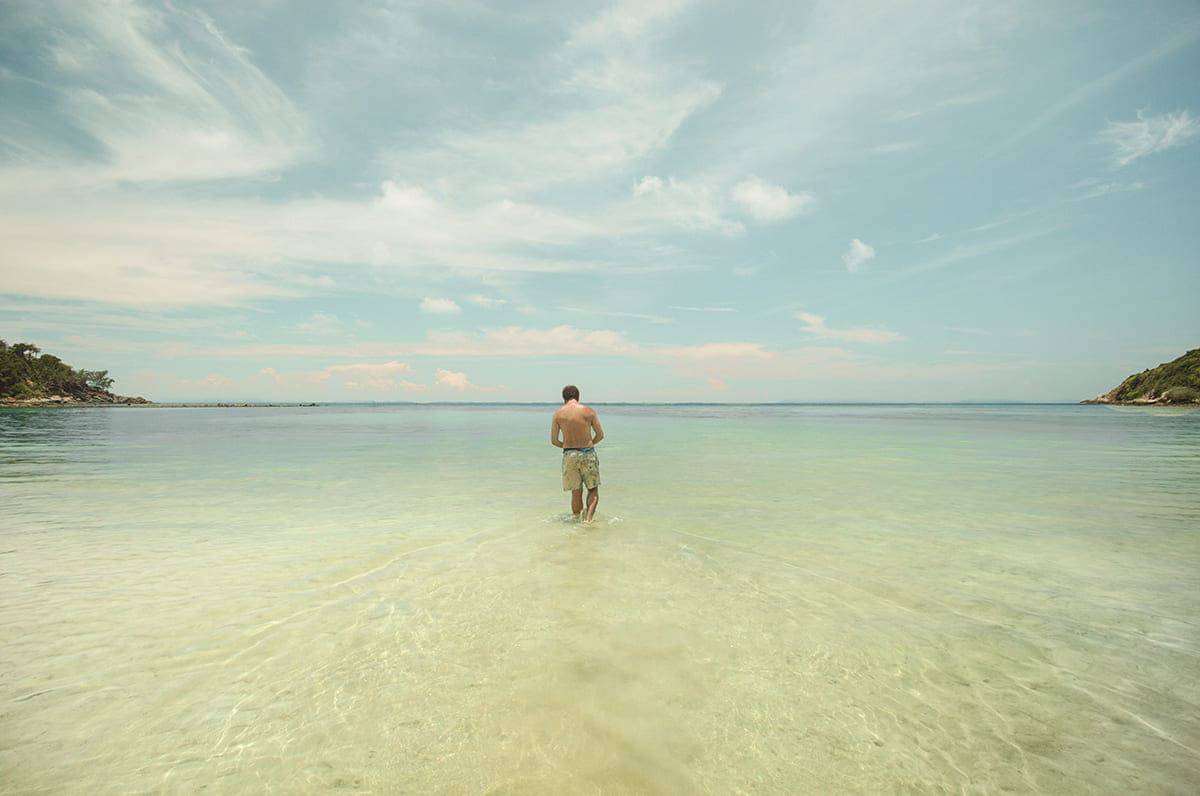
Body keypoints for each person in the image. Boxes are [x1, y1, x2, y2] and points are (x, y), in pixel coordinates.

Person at [550, 384, 604, 522]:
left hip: (569, 455)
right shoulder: (588, 411)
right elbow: (600, 435)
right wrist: (588, 443)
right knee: (592, 489)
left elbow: (554, 441)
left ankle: (576, 520)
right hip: (588, 453)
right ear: (578, 397)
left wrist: (568, 447)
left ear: (564, 398)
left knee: (575, 491)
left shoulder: (558, 414)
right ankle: (588, 520)